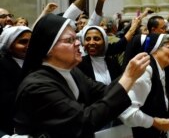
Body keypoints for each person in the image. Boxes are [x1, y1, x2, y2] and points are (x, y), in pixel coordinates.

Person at [13, 13, 150, 138]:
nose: (79, 43)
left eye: (76, 38)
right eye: (69, 40)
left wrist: (130, 75)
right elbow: (85, 121)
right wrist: (128, 78)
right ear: (48, 50)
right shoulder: (38, 86)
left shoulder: (72, 71)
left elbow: (104, 92)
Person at [120, 33, 169, 138]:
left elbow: (157, 107)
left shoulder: (160, 70)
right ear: (155, 49)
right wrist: (155, 123)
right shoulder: (146, 71)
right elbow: (127, 113)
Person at [0, 26, 31, 135]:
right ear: (9, 45)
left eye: (31, 41)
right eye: (23, 42)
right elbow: (5, 98)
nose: (29, 46)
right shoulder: (2, 65)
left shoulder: (37, 62)